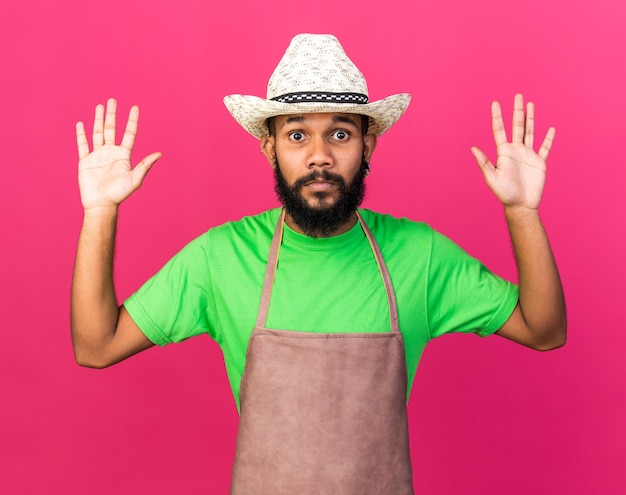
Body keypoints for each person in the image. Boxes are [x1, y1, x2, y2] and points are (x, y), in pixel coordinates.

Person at [71, 34, 566, 494]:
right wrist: (100, 213)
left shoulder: (420, 255)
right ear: (269, 147)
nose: (320, 156)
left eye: (341, 135)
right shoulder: (220, 257)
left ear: (368, 146)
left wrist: (521, 213)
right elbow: (96, 346)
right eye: (296, 135)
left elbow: (544, 331)